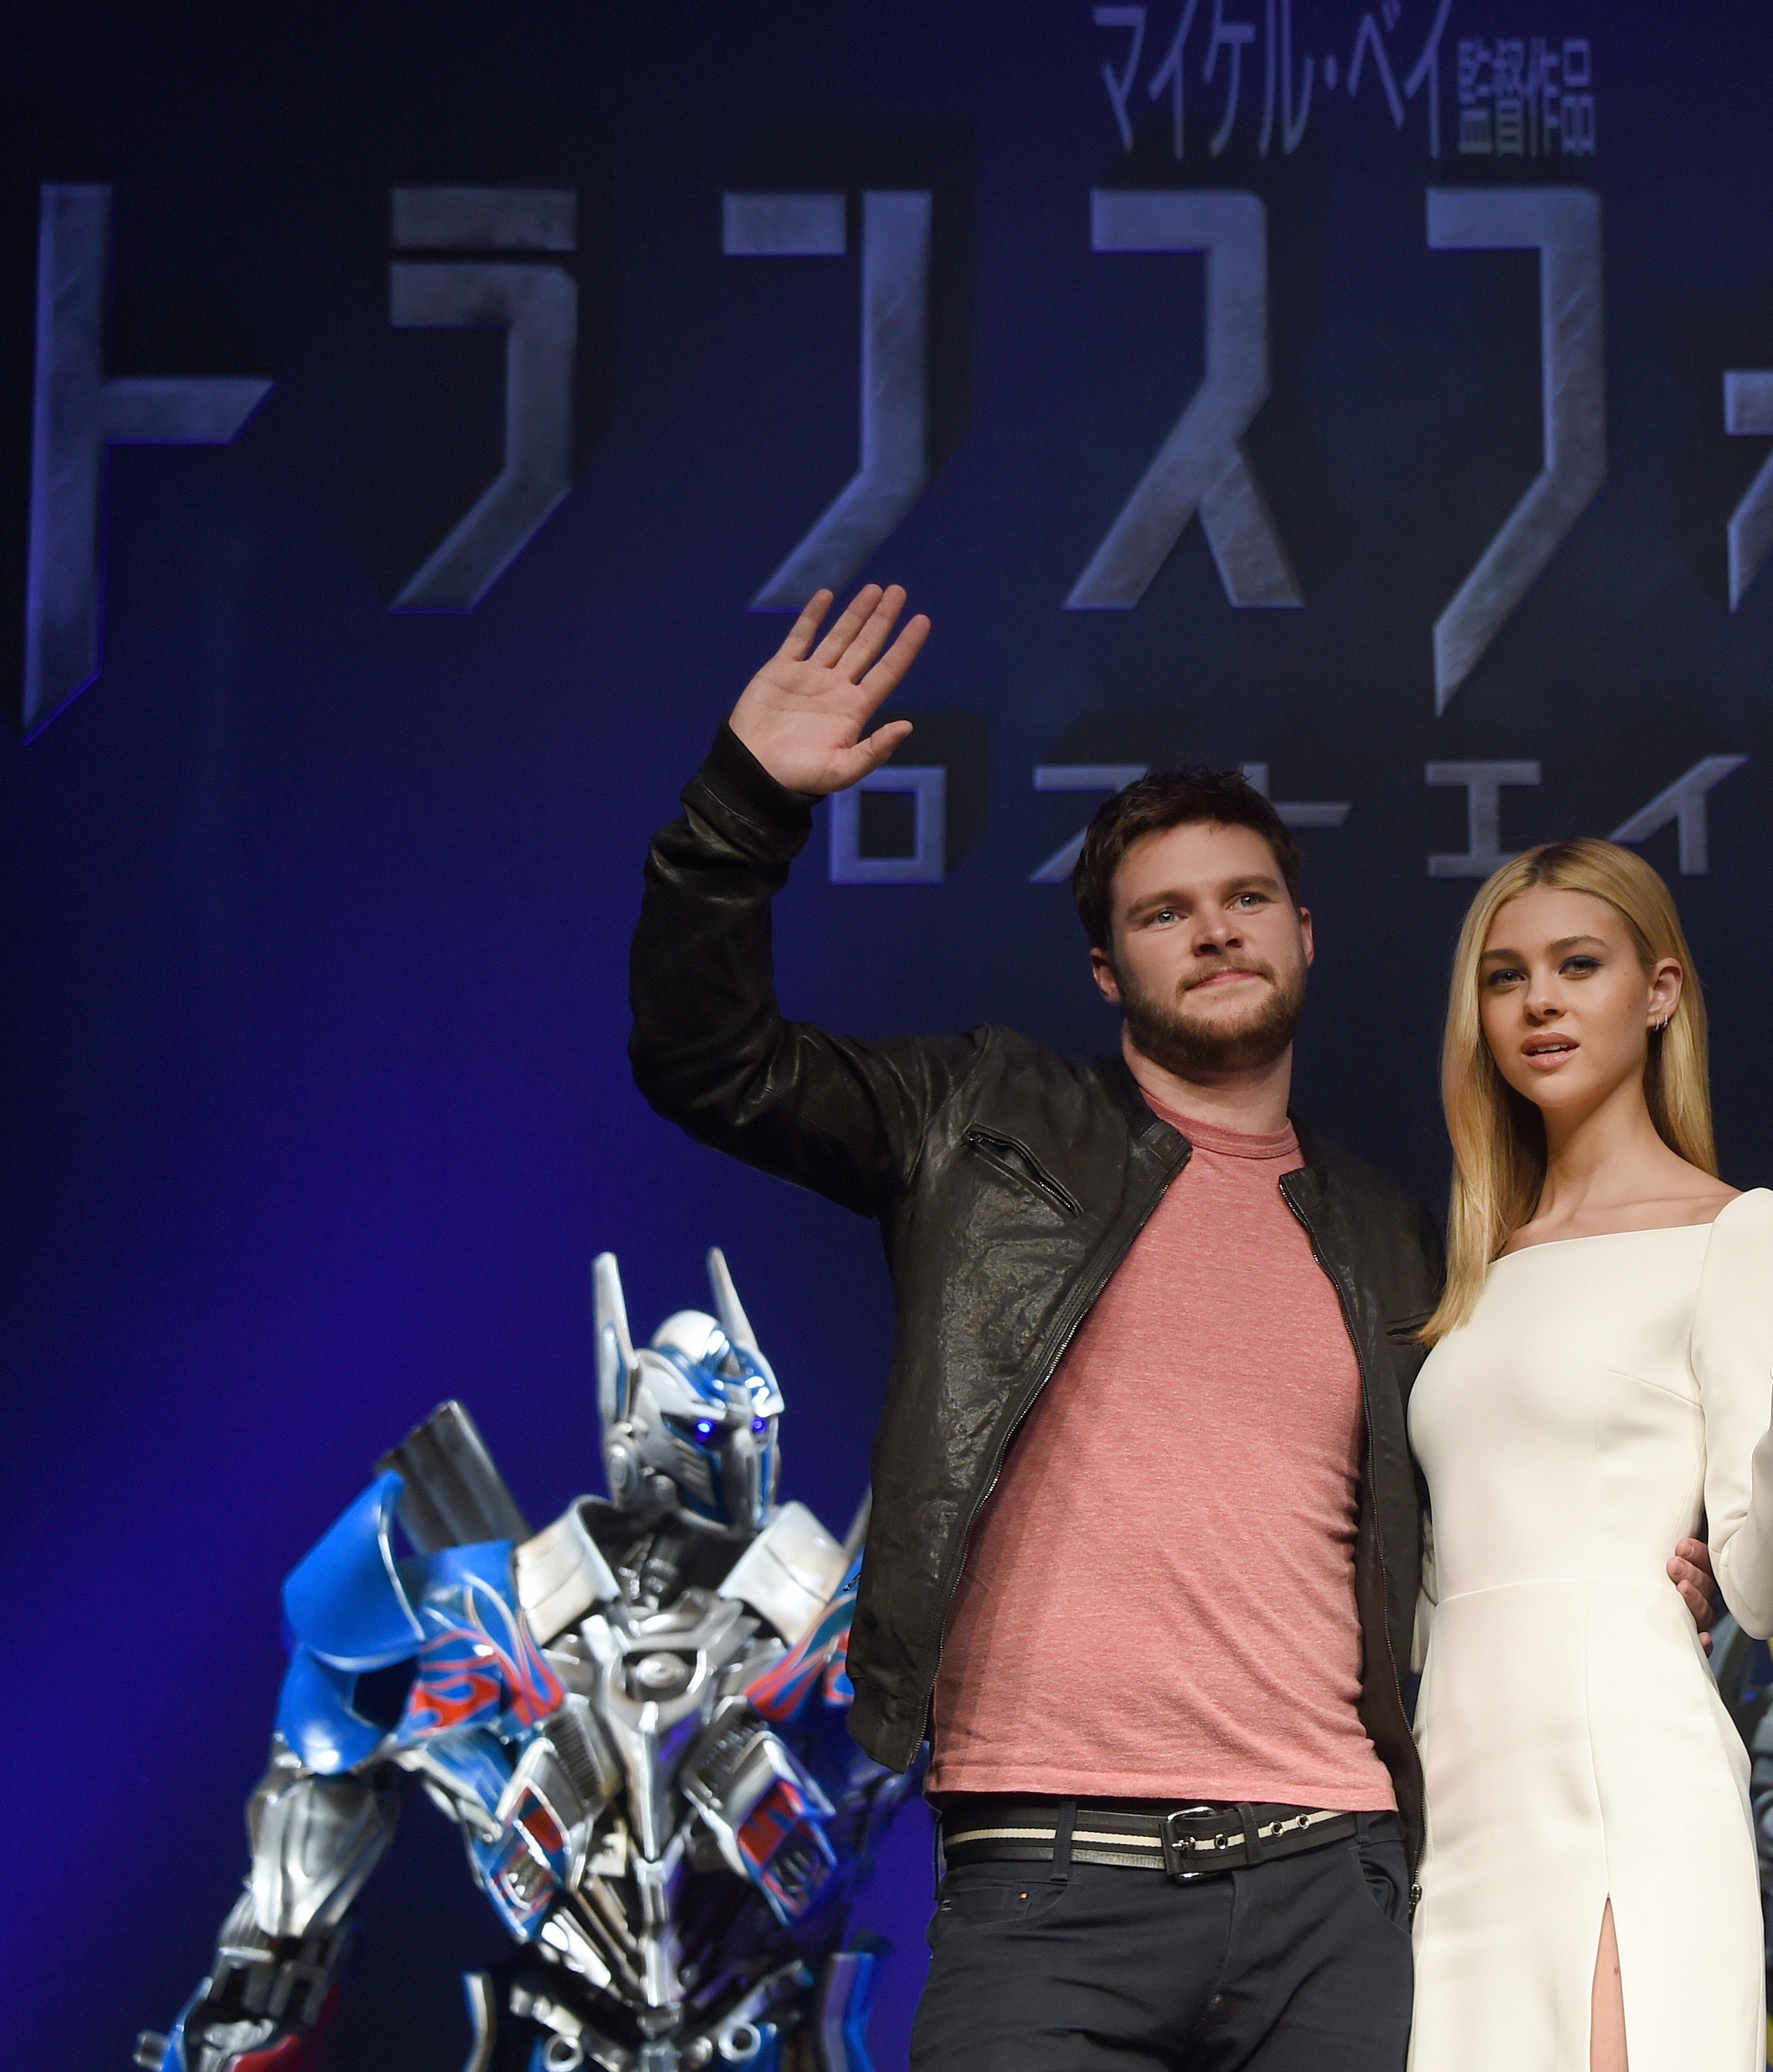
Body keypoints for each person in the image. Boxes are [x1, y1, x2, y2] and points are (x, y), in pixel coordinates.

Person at [627, 587, 1717, 2072]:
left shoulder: (1395, 1238)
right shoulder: (979, 1124)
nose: (1212, 931)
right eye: (1163, 913)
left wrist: (1631, 1560)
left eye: (1245, 898)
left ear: (1303, 934)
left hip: (1333, 1889)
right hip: (1046, 1888)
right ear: (1108, 971)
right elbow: (708, 1060)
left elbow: (1478, 1506)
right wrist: (742, 808)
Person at [1404, 838, 1773, 2072]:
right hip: (1454, 1798)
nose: (1539, 1001)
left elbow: (1763, 1593)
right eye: (1505, 976)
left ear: (1659, 990)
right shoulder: (1469, 1266)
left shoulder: (1734, 1230)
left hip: (1623, 1773)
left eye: (1578, 965)